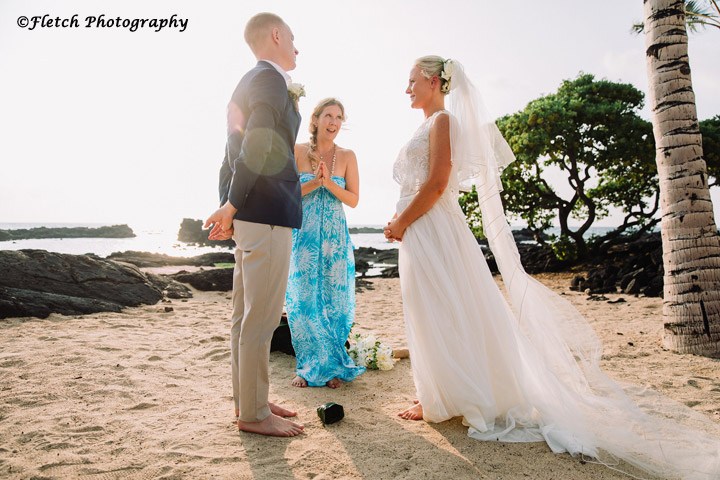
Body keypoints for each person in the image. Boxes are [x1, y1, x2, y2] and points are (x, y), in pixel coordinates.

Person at [384, 56, 720, 479]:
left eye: (412, 80)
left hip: (431, 228)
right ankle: (437, 393)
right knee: (427, 310)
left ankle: (447, 397)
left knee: (443, 309)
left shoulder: (443, 122)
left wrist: (399, 222)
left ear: (434, 81)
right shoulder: (425, 124)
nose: (407, 87)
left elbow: (436, 183)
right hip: (419, 230)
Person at [204, 12, 304, 437]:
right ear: (277, 35)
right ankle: (254, 414)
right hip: (266, 214)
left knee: (245, 319)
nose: (297, 48)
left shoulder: (245, 83)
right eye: (294, 39)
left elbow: (231, 152)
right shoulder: (270, 80)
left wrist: (230, 204)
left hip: (250, 212)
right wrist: (232, 205)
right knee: (260, 319)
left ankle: (253, 400)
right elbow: (257, 143)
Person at [285, 98, 365, 389]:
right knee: (303, 300)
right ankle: (307, 366)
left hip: (334, 237)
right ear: (315, 119)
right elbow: (287, 195)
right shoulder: (295, 152)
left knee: (335, 300)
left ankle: (331, 366)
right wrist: (315, 183)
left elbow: (354, 200)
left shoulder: (347, 156)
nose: (333, 122)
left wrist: (329, 182)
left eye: (339, 117)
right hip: (304, 235)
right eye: (328, 116)